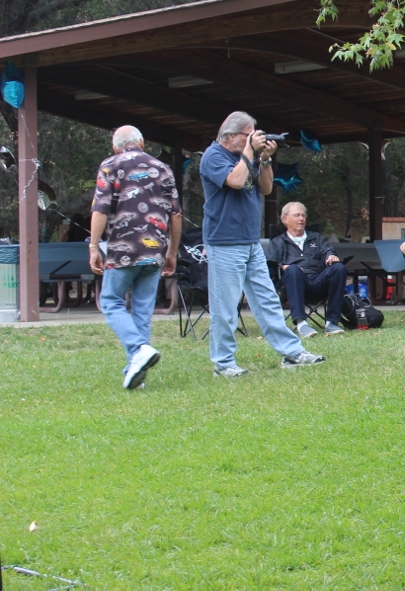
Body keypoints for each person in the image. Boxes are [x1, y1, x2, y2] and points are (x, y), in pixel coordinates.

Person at [200, 112, 325, 376]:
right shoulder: (213, 156)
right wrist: (250, 151)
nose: (254, 139)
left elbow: (266, 188)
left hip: (250, 241)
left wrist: (265, 158)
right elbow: (235, 181)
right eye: (249, 135)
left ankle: (292, 353)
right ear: (230, 136)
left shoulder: (248, 156)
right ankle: (223, 364)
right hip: (224, 242)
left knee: (267, 300)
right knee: (226, 307)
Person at [88, 125, 183, 390]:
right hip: (155, 250)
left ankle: (137, 350)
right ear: (142, 143)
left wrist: (94, 246)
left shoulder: (110, 165)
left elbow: (100, 209)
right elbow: (176, 215)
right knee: (143, 309)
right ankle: (137, 369)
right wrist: (172, 252)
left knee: (110, 301)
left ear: (115, 147)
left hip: (123, 249)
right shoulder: (163, 169)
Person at [266, 201, 347, 338]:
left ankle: (332, 322)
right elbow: (270, 265)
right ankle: (301, 323)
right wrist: (283, 266)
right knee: (293, 270)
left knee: (339, 268)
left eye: (303, 215)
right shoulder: (278, 242)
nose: (301, 219)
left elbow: (327, 251)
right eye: (297, 215)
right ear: (285, 219)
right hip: (293, 285)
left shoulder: (317, 238)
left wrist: (331, 256)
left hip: (318, 282)